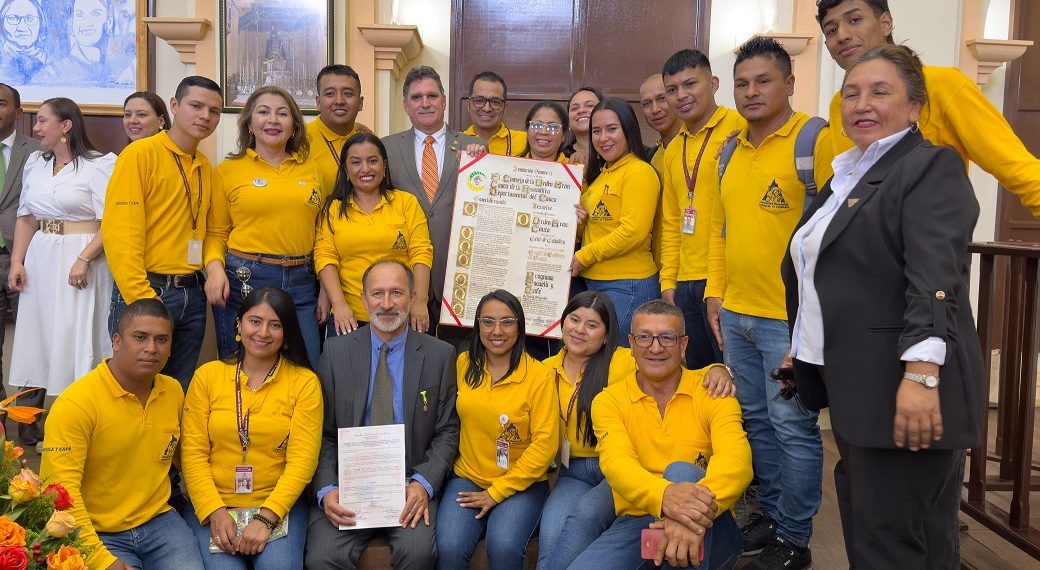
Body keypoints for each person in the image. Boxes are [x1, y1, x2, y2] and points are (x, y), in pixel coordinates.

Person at [781, 44, 986, 569]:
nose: (861, 103)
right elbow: (828, 271)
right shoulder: (847, 173)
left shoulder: (929, 166)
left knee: (889, 547)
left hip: (904, 389)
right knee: (904, 538)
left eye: (880, 92)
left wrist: (921, 375)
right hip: (861, 389)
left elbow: (933, 277)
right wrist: (801, 348)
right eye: (851, 93)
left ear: (916, 106)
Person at [703, 37, 832, 570]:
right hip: (737, 314)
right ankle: (773, 517)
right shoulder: (731, 147)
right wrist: (715, 293)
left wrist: (812, 327)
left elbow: (835, 234)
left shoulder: (813, 139)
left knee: (793, 428)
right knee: (755, 420)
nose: (751, 92)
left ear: (789, 84)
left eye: (763, 81)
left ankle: (795, 537)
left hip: (789, 321)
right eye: (743, 83)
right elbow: (719, 229)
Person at [570, 300, 751, 570]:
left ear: (683, 345)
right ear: (631, 344)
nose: (655, 347)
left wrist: (685, 515)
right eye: (644, 337)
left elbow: (737, 462)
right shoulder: (609, 401)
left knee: (683, 472)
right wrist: (666, 496)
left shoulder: (713, 391)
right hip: (640, 519)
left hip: (710, 524)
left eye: (667, 337)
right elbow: (617, 464)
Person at [816, 0, 1040, 217]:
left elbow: (1022, 172)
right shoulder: (840, 104)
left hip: (923, 244)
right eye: (831, 30)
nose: (842, 35)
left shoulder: (942, 85)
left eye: (854, 20)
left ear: (885, 23)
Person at [306, 259, 459, 570]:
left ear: (413, 297)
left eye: (396, 293)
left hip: (408, 485)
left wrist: (422, 484)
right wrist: (327, 489)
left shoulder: (439, 355)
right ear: (363, 299)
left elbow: (447, 431)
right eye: (377, 294)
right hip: (347, 488)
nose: (387, 304)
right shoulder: (336, 353)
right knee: (321, 558)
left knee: (419, 554)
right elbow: (321, 432)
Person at [40, 298, 205, 570]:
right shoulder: (76, 404)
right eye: (140, 337)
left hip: (159, 521)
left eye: (161, 339)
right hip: (97, 530)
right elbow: (59, 494)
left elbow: (188, 459)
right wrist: (101, 559)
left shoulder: (173, 391)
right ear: (117, 341)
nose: (151, 348)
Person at [181, 287, 322, 569]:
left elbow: (302, 462)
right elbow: (192, 454)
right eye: (254, 321)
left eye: (275, 325)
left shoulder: (304, 383)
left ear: (286, 334)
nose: (263, 333)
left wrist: (266, 517)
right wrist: (215, 512)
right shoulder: (207, 377)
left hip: (277, 507)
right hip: (215, 505)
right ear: (238, 324)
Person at [7, 96, 116, 447]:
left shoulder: (99, 165)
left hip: (80, 258)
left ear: (65, 125)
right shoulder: (36, 164)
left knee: (77, 334)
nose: (35, 128)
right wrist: (17, 261)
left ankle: (78, 423)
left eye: (42, 121)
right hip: (41, 257)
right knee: (38, 334)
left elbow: (110, 222)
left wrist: (84, 258)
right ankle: (30, 424)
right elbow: (26, 217)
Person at [102, 75, 223, 389]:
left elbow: (208, 231)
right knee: (132, 385)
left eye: (214, 111)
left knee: (175, 389)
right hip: (150, 288)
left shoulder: (205, 167)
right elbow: (120, 234)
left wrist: (213, 267)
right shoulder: (140, 155)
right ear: (174, 106)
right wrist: (143, 300)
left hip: (192, 294)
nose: (205, 116)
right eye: (196, 106)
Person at [436, 289, 559, 570]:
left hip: (521, 483)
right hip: (468, 477)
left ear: (520, 326)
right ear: (478, 325)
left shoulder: (538, 376)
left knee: (504, 546)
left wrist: (497, 492)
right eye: (488, 321)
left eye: (507, 321)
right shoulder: (463, 363)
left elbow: (545, 445)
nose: (497, 331)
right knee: (450, 547)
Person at [204, 85, 324, 368]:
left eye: (282, 113)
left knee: (308, 367)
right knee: (241, 366)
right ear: (249, 123)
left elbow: (322, 233)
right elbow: (216, 232)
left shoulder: (312, 170)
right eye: (263, 112)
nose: (273, 120)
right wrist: (214, 268)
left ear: (294, 126)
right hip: (245, 277)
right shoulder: (227, 171)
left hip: (303, 280)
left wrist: (327, 292)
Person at [658, 49, 746, 369]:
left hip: (726, 281)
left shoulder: (741, 128)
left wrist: (717, 285)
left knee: (733, 378)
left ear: (714, 83)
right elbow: (671, 220)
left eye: (690, 84)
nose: (681, 95)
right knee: (697, 378)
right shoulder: (673, 149)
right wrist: (669, 282)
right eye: (672, 89)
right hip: (685, 282)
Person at [381, 65, 482, 330]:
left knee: (459, 360)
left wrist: (479, 163)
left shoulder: (475, 147)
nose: (425, 103)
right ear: (405, 105)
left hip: (460, 273)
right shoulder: (386, 149)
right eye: (416, 97)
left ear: (444, 101)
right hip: (406, 275)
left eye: (432, 96)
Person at [314, 133, 433, 337]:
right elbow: (325, 258)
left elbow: (421, 252)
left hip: (400, 313)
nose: (365, 169)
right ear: (345, 169)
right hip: (350, 316)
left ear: (384, 165)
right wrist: (339, 304)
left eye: (372, 161)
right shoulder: (332, 209)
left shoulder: (406, 203)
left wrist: (420, 300)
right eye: (356, 162)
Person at [573, 98, 661, 347]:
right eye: (596, 131)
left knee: (616, 361)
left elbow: (633, 232)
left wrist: (583, 256)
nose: (603, 138)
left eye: (612, 129)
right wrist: (580, 223)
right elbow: (599, 227)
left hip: (628, 285)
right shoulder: (602, 175)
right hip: (598, 283)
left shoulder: (639, 172)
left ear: (628, 129)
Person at [0, 83, 39, 419]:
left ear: (18, 112)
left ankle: (28, 420)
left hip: (25, 259)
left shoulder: (39, 151)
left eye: (1, 103)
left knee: (31, 340)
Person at [306, 65, 370, 195]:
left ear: (360, 102)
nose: (339, 101)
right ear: (318, 102)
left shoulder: (369, 141)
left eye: (348, 94)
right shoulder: (300, 140)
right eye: (330, 94)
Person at [462, 71, 526, 157]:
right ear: (468, 105)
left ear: (504, 107)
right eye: (479, 101)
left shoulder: (525, 141)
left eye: (495, 102)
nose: (487, 108)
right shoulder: (457, 143)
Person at [639, 73, 680, 173]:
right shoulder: (650, 159)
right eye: (647, 104)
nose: (655, 109)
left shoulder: (700, 144)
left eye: (662, 98)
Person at [0, 0, 46, 83]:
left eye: (30, 19)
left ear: (41, 23)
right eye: (13, 18)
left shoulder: (49, 64)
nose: (22, 28)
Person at [562, 87, 602, 165]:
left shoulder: (614, 153)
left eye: (589, 105)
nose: (581, 110)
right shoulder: (562, 158)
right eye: (575, 108)